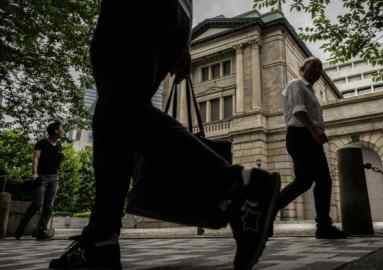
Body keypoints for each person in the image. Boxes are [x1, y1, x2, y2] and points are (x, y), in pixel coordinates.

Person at [49, 1, 280, 270]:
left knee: (118, 108)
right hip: (173, 13)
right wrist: (182, 42)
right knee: (118, 124)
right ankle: (101, 240)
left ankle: (240, 187)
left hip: (140, 11)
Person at [271, 57, 349, 239]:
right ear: (302, 68)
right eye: (313, 66)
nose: (317, 70)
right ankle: (323, 226)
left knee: (304, 181)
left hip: (307, 136)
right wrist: (315, 131)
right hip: (301, 135)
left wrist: (316, 132)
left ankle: (268, 209)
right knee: (322, 180)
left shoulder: (311, 91)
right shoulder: (296, 84)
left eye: (320, 68)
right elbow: (299, 111)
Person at [15, 121, 64, 240]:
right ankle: (20, 230)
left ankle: (41, 231)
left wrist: (61, 161)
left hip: (54, 178)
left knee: (49, 207)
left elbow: (57, 164)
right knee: (37, 204)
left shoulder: (59, 145)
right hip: (41, 177)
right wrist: (34, 174)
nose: (63, 131)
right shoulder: (41, 143)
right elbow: (36, 158)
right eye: (61, 128)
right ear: (56, 130)